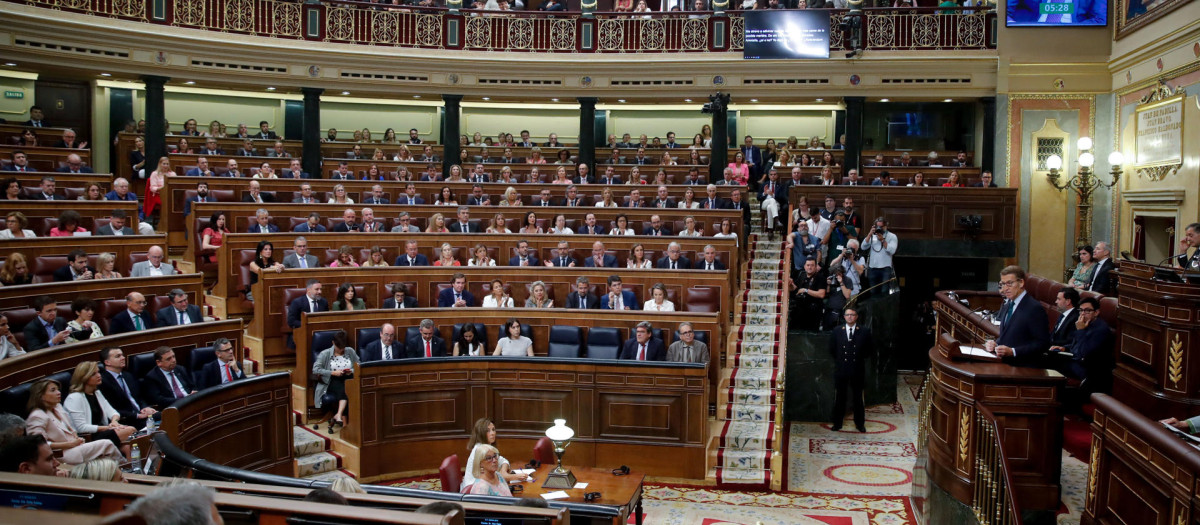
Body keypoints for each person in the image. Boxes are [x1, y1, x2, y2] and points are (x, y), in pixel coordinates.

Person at [25, 378, 124, 464]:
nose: (58, 392)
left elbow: (70, 429)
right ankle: (127, 470)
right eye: (53, 390)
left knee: (105, 455)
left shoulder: (58, 407)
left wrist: (76, 438)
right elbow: (39, 444)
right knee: (106, 444)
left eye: (58, 390)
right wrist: (69, 444)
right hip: (61, 454)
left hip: (75, 447)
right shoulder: (37, 416)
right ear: (41, 396)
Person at [985, 266, 1051, 366]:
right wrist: (996, 344)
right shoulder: (1008, 304)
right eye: (1003, 284)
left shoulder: (1034, 308)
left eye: (1009, 283)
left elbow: (1042, 343)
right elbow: (1009, 335)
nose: (1005, 288)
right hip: (1005, 364)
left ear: (1021, 283)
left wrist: (1013, 351)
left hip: (1023, 367)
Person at [63, 362, 134, 454]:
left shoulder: (96, 393)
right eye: (94, 374)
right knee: (130, 430)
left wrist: (114, 422)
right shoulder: (74, 398)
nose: (99, 375)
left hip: (104, 432)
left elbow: (113, 412)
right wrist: (107, 428)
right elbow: (81, 428)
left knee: (128, 447)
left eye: (98, 372)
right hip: (88, 437)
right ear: (84, 378)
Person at [1049, 297, 1112, 391]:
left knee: (1051, 365)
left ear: (1096, 312)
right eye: (1081, 310)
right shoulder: (1085, 323)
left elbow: (1083, 353)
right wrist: (1064, 348)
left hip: (1087, 371)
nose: (1083, 314)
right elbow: (1077, 344)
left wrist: (1081, 330)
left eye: (1087, 311)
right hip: (1075, 362)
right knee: (1047, 357)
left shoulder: (1100, 330)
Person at [829, 307, 872, 432]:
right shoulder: (837, 331)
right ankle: (837, 423)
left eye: (852, 315)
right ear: (844, 317)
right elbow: (832, 349)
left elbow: (868, 350)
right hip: (841, 369)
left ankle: (860, 424)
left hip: (857, 370)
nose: (850, 317)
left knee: (858, 398)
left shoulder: (864, 331)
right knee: (840, 397)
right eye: (847, 315)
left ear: (856, 316)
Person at [98, 347, 156, 429]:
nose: (123, 358)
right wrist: (137, 415)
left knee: (169, 416)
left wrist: (145, 407)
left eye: (122, 355)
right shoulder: (103, 381)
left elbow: (139, 397)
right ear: (107, 362)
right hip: (126, 420)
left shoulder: (128, 376)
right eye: (118, 356)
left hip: (143, 415)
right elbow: (111, 408)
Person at [313, 330, 357, 433]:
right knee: (344, 389)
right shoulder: (325, 354)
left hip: (348, 378)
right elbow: (315, 369)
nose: (341, 350)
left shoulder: (350, 351)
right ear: (333, 343)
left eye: (343, 348)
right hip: (331, 380)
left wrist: (350, 371)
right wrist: (333, 373)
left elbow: (359, 366)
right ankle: (345, 422)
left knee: (349, 386)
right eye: (339, 348)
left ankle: (339, 414)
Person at [287, 280, 328, 348]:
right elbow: (291, 321)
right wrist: (308, 325)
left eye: (320, 289)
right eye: (317, 289)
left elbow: (326, 318)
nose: (320, 292)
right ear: (308, 290)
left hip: (320, 333)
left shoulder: (323, 302)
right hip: (302, 332)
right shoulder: (297, 302)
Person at [791, 258, 828, 331]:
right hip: (800, 310)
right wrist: (790, 285)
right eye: (808, 265)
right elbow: (796, 289)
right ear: (804, 266)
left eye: (812, 265)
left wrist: (806, 290)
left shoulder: (821, 278)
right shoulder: (801, 275)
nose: (809, 267)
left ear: (816, 266)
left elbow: (821, 294)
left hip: (813, 312)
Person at [861, 217, 898, 289]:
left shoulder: (892, 236)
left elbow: (892, 251)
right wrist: (869, 234)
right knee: (873, 290)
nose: (879, 229)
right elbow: (863, 247)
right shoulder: (872, 236)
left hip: (885, 268)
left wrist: (882, 240)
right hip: (872, 268)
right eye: (878, 226)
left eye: (881, 227)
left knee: (884, 291)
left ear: (886, 226)